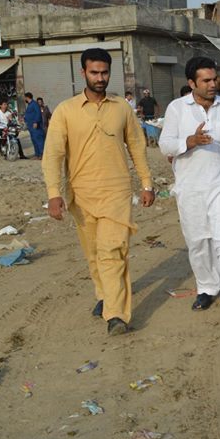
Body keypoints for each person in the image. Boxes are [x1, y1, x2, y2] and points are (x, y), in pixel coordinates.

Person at [42, 48, 155, 336]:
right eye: (94, 72)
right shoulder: (66, 111)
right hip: (81, 194)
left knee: (112, 251)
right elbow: (53, 155)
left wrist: (146, 183)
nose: (100, 78)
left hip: (116, 192)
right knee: (93, 253)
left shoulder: (122, 108)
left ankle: (116, 315)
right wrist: (54, 193)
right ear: (83, 73)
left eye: (105, 72)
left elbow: (137, 146)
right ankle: (104, 295)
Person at [160, 57, 220, 322]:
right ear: (192, 83)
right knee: (198, 241)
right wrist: (190, 141)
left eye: (215, 79)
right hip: (190, 187)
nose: (213, 84)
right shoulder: (177, 108)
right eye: (206, 81)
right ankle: (208, 287)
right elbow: (165, 145)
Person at [23, 92, 45, 159]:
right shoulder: (29, 105)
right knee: (34, 140)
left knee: (38, 140)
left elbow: (38, 113)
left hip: (35, 126)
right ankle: (37, 154)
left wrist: (36, 122)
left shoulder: (34, 104)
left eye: (25, 97)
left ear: (27, 97)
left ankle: (42, 154)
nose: (24, 99)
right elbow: (29, 114)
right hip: (30, 126)